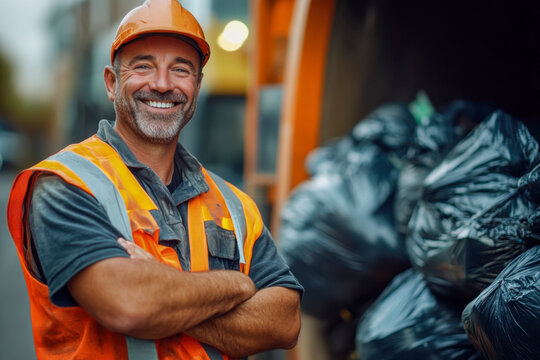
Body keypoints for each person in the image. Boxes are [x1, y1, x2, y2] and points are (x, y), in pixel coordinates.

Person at [7, 0, 303, 359]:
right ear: (111, 83)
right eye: (144, 66)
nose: (162, 84)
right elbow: (128, 305)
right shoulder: (65, 185)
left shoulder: (235, 205)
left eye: (181, 70)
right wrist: (236, 284)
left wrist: (163, 293)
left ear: (197, 84)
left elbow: (284, 323)